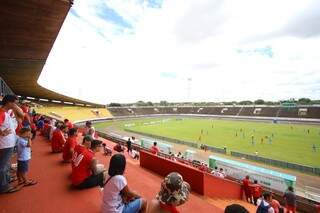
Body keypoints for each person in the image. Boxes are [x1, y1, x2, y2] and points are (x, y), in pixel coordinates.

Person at [0, 95, 24, 193]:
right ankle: (3, 187)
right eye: (14, 103)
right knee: (3, 166)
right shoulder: (1, 113)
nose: (16, 105)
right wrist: (2, 133)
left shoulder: (5, 112)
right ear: (9, 102)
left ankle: (6, 180)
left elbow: (20, 117)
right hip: (5, 144)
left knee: (5, 165)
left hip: (7, 143)